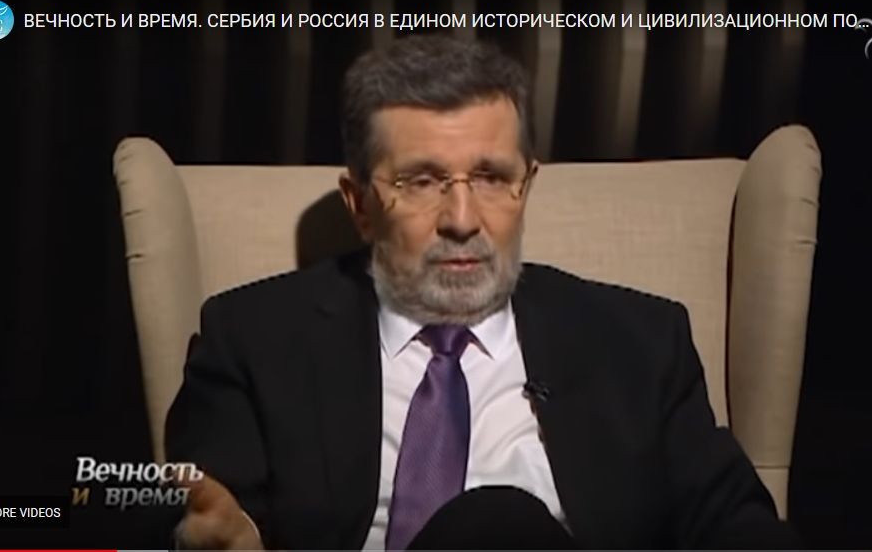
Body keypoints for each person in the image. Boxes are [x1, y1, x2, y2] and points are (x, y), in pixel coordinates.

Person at [165, 34, 799, 549]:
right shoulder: (255, 338)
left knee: (499, 525)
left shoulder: (638, 342)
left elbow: (739, 529)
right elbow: (209, 520)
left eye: (492, 178)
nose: (463, 220)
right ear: (359, 205)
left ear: (528, 185)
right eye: (421, 181)